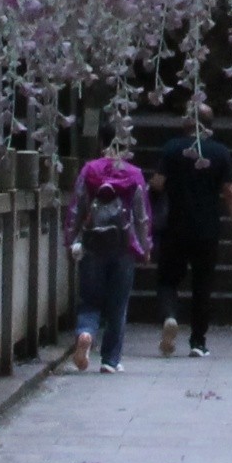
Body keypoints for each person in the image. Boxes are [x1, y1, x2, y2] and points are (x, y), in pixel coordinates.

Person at [150, 121, 232, 357]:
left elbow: (158, 183)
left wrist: (149, 212)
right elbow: (230, 191)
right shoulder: (220, 151)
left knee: (168, 279)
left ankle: (170, 316)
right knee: (202, 284)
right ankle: (198, 342)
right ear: (210, 126)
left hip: (175, 225)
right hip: (207, 228)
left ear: (185, 125)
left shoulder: (172, 148)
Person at [68, 147, 154, 373]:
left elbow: (77, 207)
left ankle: (86, 332)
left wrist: (71, 238)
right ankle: (110, 360)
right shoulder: (134, 174)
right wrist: (146, 246)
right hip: (124, 245)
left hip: (92, 244)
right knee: (118, 304)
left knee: (89, 299)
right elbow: (142, 215)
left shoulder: (90, 170)